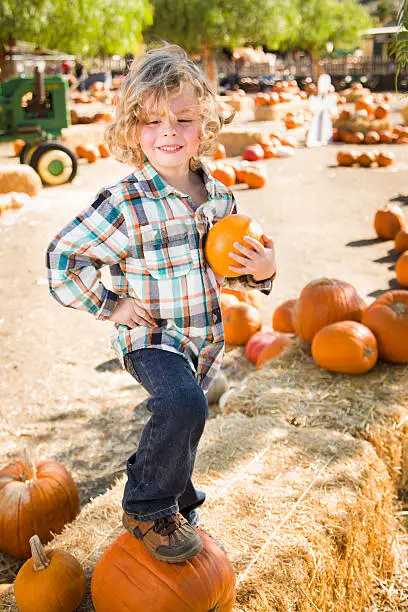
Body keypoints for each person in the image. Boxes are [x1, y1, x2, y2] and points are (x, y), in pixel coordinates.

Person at [46, 44, 276, 563]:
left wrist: (263, 271)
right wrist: (111, 304)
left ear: (206, 125)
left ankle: (179, 497)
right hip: (151, 336)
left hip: (201, 337)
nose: (168, 132)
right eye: (151, 121)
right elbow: (63, 260)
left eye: (183, 118)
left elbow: (232, 268)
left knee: (187, 416)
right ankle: (147, 505)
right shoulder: (124, 201)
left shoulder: (218, 198)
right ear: (132, 130)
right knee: (183, 404)